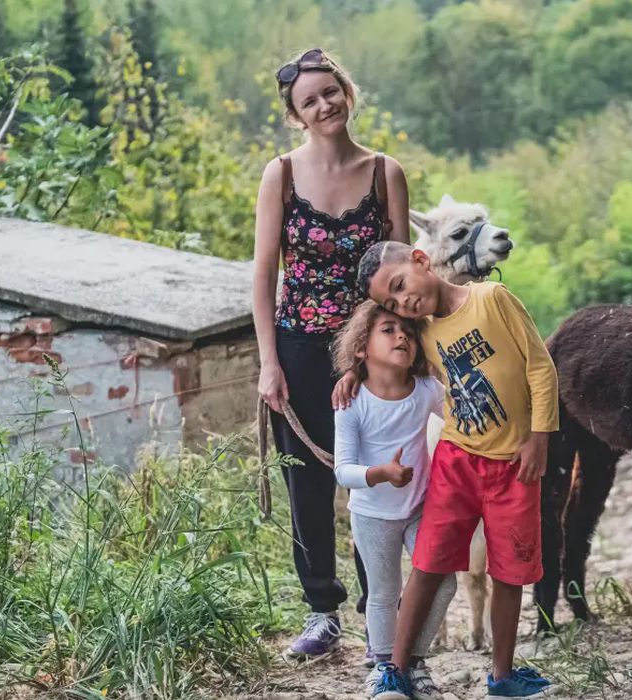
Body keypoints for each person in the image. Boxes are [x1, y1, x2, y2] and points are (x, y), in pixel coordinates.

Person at [340, 240, 559, 699]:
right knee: (428, 563)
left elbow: (540, 367)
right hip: (456, 460)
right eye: (391, 303)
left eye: (400, 286)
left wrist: (540, 435)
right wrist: (352, 374)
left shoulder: (491, 299)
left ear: (421, 260)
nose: (403, 303)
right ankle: (395, 669)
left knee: (510, 572)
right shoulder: (420, 330)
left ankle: (501, 676)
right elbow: (386, 360)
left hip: (514, 464)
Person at [251, 47, 410, 658]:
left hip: (372, 350)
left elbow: (400, 276)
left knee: (378, 478)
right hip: (299, 344)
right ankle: (322, 610)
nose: (324, 106)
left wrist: (400, 353)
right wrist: (269, 361)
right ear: (296, 115)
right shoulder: (281, 175)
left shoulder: (385, 172)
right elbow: (265, 272)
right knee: (309, 481)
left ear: (347, 91)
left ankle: (382, 607)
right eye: (309, 101)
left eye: (331, 93)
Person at [331, 300, 456, 700]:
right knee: (383, 593)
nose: (402, 336)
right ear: (361, 349)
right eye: (388, 329)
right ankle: (384, 668)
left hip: (421, 508)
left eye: (409, 332)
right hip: (372, 514)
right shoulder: (351, 402)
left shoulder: (425, 391)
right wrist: (380, 474)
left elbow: (458, 414)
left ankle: (413, 662)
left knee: (443, 584)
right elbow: (342, 470)